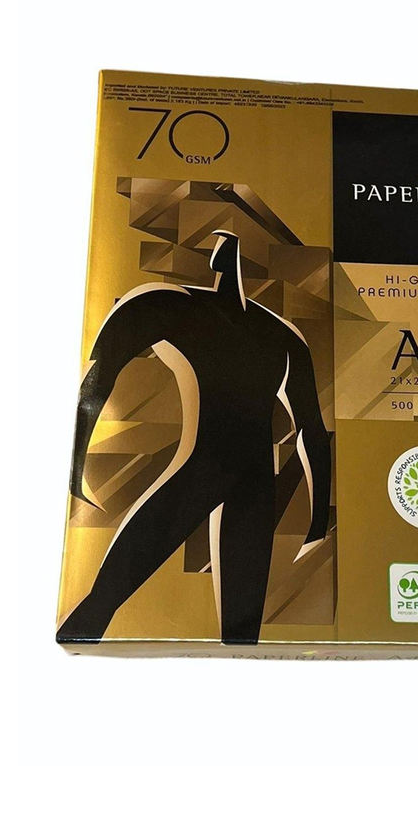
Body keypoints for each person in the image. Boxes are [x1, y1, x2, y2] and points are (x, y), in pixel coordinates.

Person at [57, 230, 331, 645]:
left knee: (241, 633)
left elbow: (312, 431)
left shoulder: (274, 333)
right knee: (102, 604)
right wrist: (76, 466)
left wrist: (318, 523)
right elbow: (101, 373)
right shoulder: (181, 306)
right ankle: (81, 634)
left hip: (232, 480)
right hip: (228, 476)